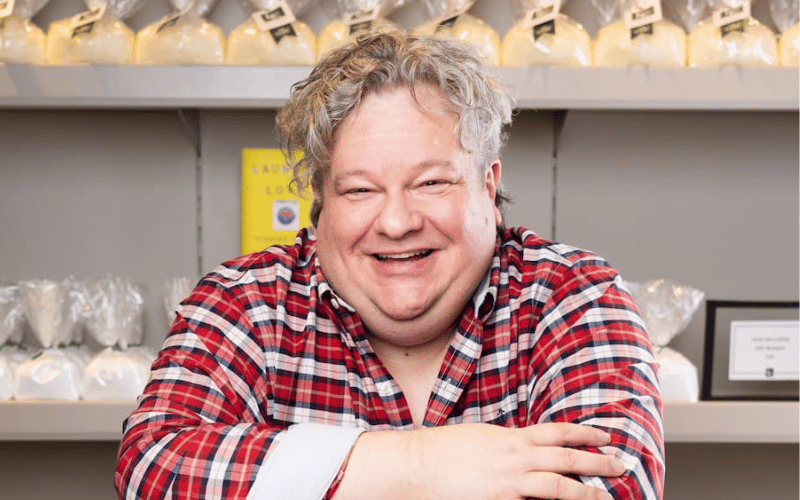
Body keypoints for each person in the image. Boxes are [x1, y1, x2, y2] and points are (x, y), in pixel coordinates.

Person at [115, 30, 664, 500]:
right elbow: (153, 466)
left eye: (431, 183)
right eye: (359, 190)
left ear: (489, 186)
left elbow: (610, 488)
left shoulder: (573, 296)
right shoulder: (245, 302)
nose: (397, 222)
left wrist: (308, 478)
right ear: (320, 203)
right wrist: (426, 466)